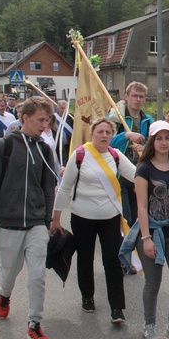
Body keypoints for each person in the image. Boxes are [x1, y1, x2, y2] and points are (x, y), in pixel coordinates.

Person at [0, 96, 58, 339]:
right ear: (25, 118)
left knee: (37, 276)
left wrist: (47, 220)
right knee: (9, 272)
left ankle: (34, 324)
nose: (45, 125)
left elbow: (48, 187)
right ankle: (4, 295)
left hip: (35, 222)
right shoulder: (4, 146)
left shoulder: (44, 150)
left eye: (48, 120)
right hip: (10, 222)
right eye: (40, 120)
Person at [119, 120, 169, 339]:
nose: (164, 142)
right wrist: (146, 238)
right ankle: (149, 325)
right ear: (153, 141)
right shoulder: (144, 169)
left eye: (168, 138)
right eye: (159, 138)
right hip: (151, 233)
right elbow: (141, 206)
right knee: (153, 283)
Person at [51, 118, 136, 321]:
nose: (104, 135)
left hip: (110, 217)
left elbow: (137, 175)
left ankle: (117, 307)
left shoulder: (116, 155)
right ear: (92, 134)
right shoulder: (80, 155)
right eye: (100, 131)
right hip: (82, 217)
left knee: (112, 261)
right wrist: (56, 218)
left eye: (108, 132)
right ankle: (87, 296)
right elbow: (65, 187)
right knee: (86, 258)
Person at [109, 82, 154, 228]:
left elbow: (154, 144)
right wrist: (126, 135)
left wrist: (146, 147)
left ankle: (136, 246)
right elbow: (107, 142)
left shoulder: (148, 120)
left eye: (141, 96)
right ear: (127, 97)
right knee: (124, 215)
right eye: (135, 96)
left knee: (138, 214)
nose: (138, 99)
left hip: (140, 172)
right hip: (119, 173)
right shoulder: (116, 117)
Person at [54, 100, 73, 166]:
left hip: (69, 144)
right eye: (62, 108)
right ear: (57, 108)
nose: (64, 110)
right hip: (58, 144)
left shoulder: (71, 117)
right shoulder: (54, 118)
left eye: (65, 108)